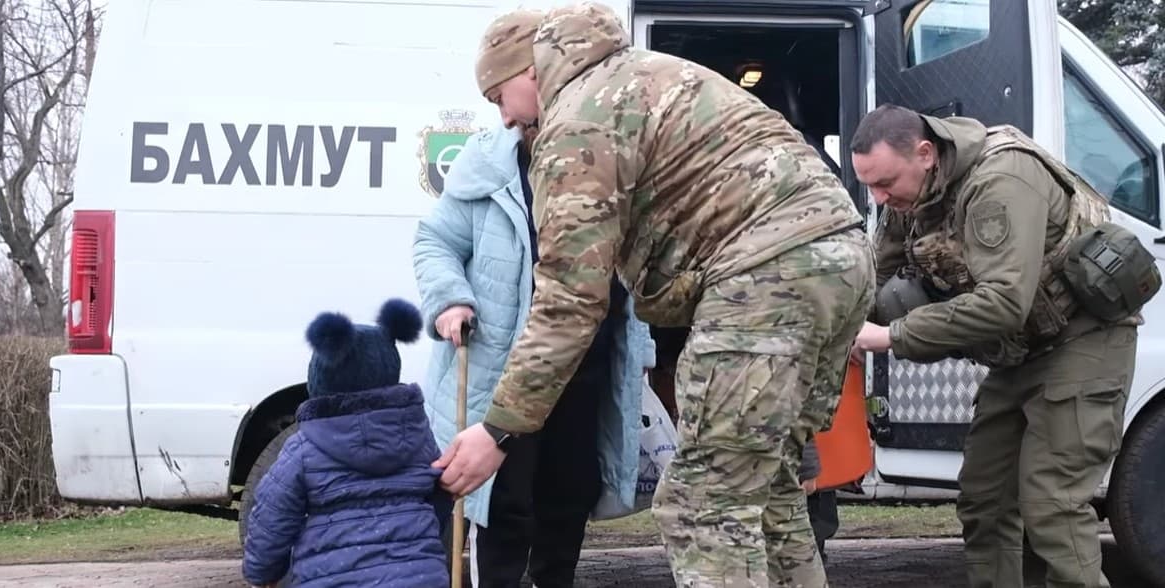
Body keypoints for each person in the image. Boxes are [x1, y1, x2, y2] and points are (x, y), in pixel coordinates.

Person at [433, 3, 876, 586]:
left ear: (530, 72)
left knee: (704, 504)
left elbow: (570, 301)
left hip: (766, 278)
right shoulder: (650, 72)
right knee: (770, 490)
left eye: (498, 98)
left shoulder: (578, 118)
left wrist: (496, 432)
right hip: (841, 261)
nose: (509, 120)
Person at [848, 104, 1143, 588]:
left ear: (925, 153)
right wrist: (846, 327)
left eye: (885, 183)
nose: (879, 197)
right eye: (871, 187)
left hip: (1083, 341)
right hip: (1020, 353)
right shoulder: (913, 196)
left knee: (1053, 504)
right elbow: (877, 279)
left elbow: (1005, 302)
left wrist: (892, 337)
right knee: (986, 499)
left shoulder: (1000, 179)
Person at [412, 120, 655, 588]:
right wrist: (449, 298)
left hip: (587, 377)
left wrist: (639, 351)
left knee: (568, 506)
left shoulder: (616, 161)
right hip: (506, 378)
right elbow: (435, 241)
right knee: (503, 510)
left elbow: (631, 270)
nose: (502, 112)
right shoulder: (491, 165)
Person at [241, 299, 451, 588]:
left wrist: (262, 572)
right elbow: (440, 497)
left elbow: (272, 515)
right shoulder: (419, 437)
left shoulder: (304, 447)